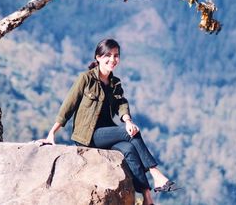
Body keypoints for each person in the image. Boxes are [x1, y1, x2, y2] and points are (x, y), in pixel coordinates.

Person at [40, 38, 177, 205]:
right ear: (98, 57)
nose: (113, 59)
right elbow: (68, 106)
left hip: (106, 133)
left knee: (129, 149)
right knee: (131, 134)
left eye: (116, 55)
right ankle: (156, 174)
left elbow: (121, 103)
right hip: (88, 135)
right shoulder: (86, 78)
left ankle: (147, 197)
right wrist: (51, 133)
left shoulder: (115, 82)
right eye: (108, 55)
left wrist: (127, 120)